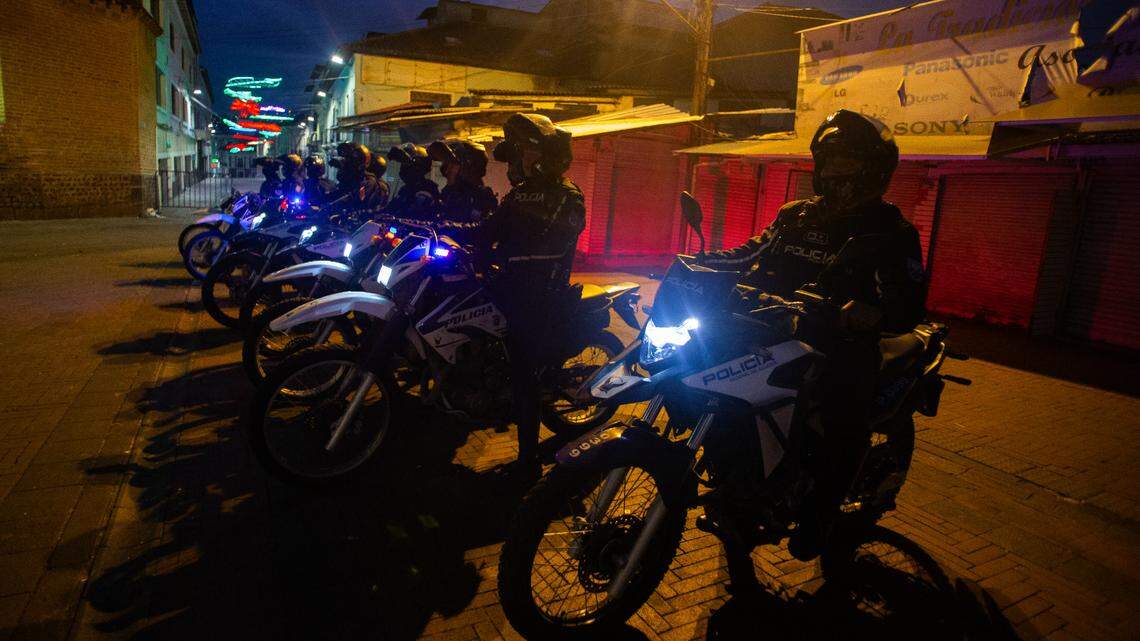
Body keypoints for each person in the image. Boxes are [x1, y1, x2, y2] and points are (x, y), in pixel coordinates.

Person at [698, 110, 926, 565]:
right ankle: (741, 477)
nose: (835, 173)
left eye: (847, 163)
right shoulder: (795, 216)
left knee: (844, 422)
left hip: (842, 349)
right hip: (774, 334)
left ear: (872, 170)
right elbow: (751, 252)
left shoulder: (893, 233)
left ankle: (820, 517)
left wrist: (869, 312)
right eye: (830, 162)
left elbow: (909, 306)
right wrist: (701, 264)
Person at [478, 113, 585, 480]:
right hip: (510, 285)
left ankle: (528, 463)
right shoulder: (520, 193)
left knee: (524, 377)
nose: (516, 159)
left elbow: (543, 246)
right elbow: (488, 230)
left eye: (524, 150)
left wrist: (498, 253)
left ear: (542, 155)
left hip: (540, 296)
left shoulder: (566, 195)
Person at [428, 139, 497, 227]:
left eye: (453, 165)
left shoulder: (481, 197)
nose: (448, 171)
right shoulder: (448, 193)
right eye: (447, 165)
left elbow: (482, 229)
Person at [328, 142, 386, 214]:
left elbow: (356, 203)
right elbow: (338, 194)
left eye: (348, 161)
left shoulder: (367, 182)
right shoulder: (350, 180)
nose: (345, 164)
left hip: (361, 223)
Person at [385, 143, 439, 220]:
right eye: (403, 165)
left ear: (419, 167)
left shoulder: (428, 188)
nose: (403, 169)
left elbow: (418, 213)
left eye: (406, 165)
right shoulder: (405, 189)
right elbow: (392, 208)